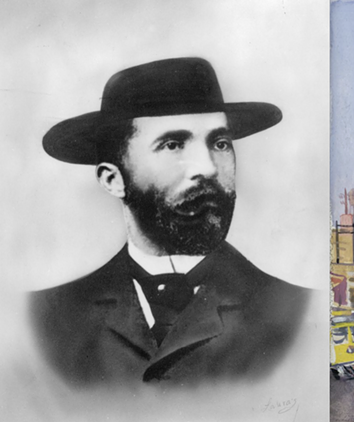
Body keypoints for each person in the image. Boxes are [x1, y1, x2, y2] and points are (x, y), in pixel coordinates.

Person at [28, 58, 314, 387]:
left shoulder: (299, 315)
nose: (207, 168)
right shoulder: (47, 319)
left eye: (220, 144)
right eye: (173, 144)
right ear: (113, 179)